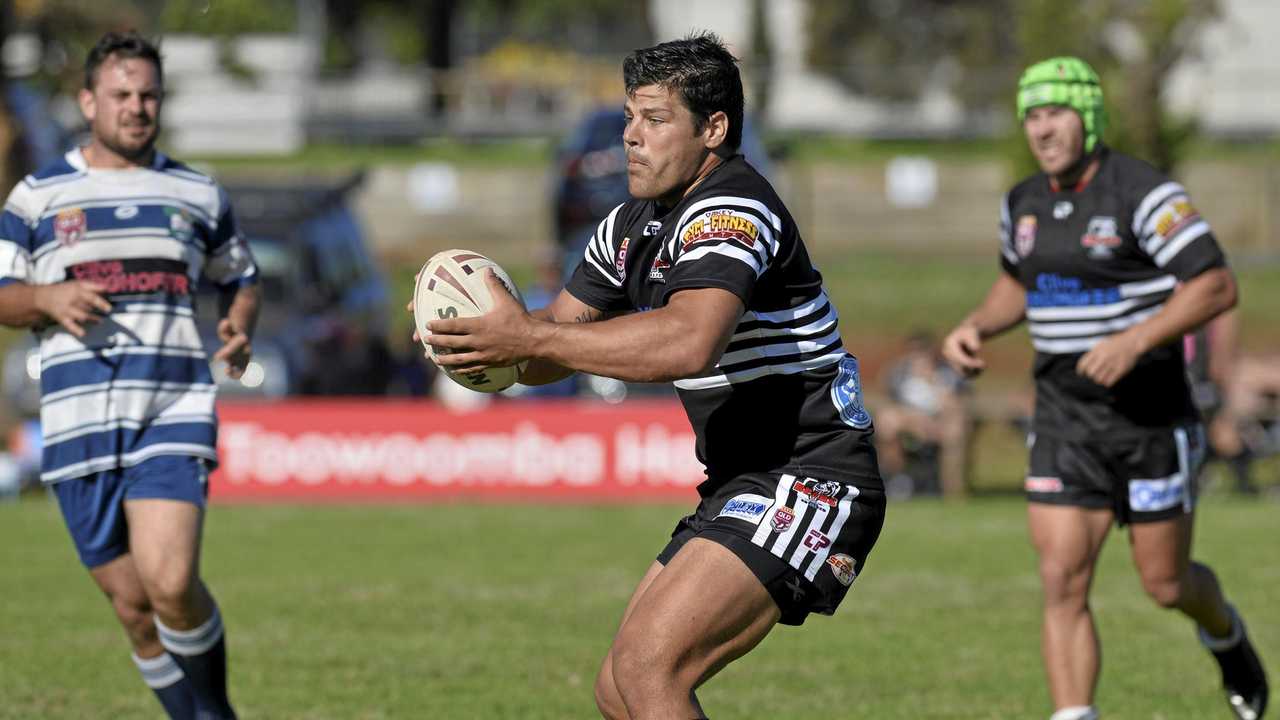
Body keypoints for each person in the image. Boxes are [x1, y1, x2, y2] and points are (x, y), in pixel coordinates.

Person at [424, 33, 885, 719]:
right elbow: (556, 344)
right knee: (621, 687)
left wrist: (526, 335)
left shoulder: (733, 210)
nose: (630, 137)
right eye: (629, 117)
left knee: (648, 667)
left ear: (714, 129)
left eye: (655, 119)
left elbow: (690, 340)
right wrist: (484, 348)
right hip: (743, 479)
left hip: (811, 475)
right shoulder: (629, 226)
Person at [941, 57, 1268, 720]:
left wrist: (1134, 341)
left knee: (1166, 583)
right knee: (1062, 579)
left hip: (1150, 420)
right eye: (1032, 116)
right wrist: (976, 325)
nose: (1042, 128)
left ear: (1088, 116)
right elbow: (1018, 282)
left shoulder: (1145, 194)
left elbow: (1215, 285)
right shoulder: (1023, 202)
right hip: (1064, 421)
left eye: (1056, 112)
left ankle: (1225, 633)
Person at [0, 32, 258, 719]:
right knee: (135, 608)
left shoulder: (197, 192)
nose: (136, 107)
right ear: (89, 101)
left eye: (148, 94)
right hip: (77, 425)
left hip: (171, 408)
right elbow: (2, 295)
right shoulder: (37, 197)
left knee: (171, 582)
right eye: (121, 94)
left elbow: (241, 277)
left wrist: (239, 323)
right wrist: (47, 298)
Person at [875, 330, 970, 498]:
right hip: (909, 421)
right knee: (887, 421)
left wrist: (932, 380)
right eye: (914, 350)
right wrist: (916, 421)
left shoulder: (947, 373)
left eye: (922, 350)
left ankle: (953, 491)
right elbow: (889, 402)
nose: (918, 355)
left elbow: (956, 406)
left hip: (940, 423)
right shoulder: (899, 373)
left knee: (956, 430)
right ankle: (896, 479)